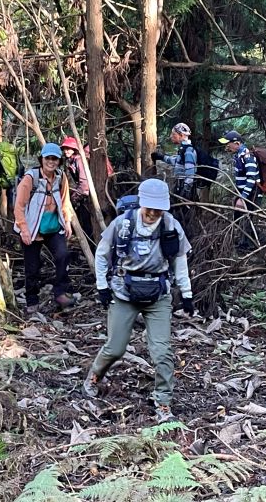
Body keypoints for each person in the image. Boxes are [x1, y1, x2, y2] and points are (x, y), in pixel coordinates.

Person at [82, 178, 194, 424]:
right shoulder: (123, 224)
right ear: (142, 203)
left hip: (158, 294)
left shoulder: (170, 226)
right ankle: (94, 377)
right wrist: (102, 286)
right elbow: (102, 254)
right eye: (149, 208)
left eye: (158, 209)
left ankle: (163, 402)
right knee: (115, 347)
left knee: (162, 352)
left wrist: (186, 294)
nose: (153, 213)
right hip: (124, 292)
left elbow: (180, 260)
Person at [14, 142, 76, 314]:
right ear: (41, 159)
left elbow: (65, 201)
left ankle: (60, 293)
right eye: (48, 158)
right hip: (31, 228)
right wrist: (24, 229)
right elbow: (19, 206)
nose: (51, 162)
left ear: (59, 161)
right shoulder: (30, 179)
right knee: (32, 267)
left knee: (63, 256)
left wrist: (67, 221)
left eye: (55, 159)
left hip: (53, 226)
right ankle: (32, 300)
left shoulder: (61, 177)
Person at [218, 130, 261, 248]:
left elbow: (251, 179)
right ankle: (244, 243)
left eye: (228, 144)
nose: (227, 147)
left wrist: (243, 198)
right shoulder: (239, 155)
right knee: (239, 217)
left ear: (237, 143)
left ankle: (252, 245)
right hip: (243, 193)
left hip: (252, 193)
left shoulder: (247, 156)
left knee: (248, 219)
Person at [150, 123, 197, 200]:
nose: (171, 136)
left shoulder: (188, 151)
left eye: (173, 134)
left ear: (181, 135)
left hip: (184, 190)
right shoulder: (183, 149)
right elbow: (176, 162)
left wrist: (186, 190)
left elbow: (190, 173)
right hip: (179, 186)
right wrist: (162, 157)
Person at [61, 136, 93, 241]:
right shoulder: (71, 161)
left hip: (86, 199)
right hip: (82, 197)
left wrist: (74, 198)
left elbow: (84, 185)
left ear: (74, 149)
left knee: (87, 225)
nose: (66, 151)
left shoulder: (79, 160)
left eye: (68, 148)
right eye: (64, 149)